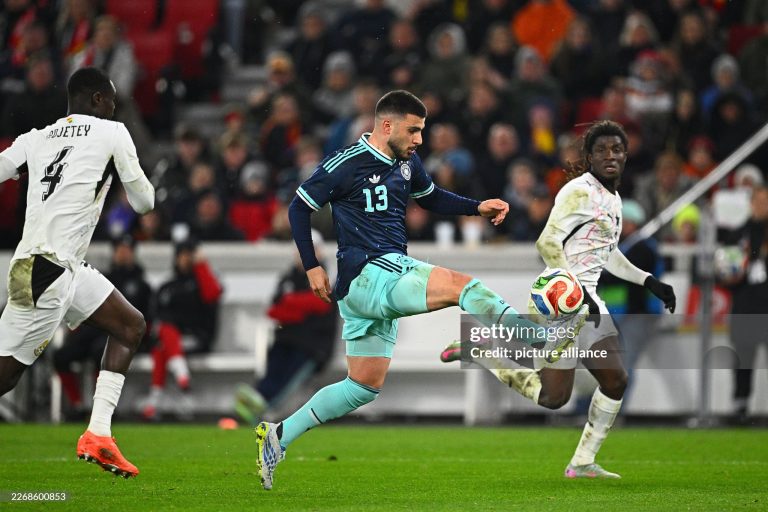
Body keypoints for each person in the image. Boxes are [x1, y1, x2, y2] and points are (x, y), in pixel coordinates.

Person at [254, 90, 587, 490]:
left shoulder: (407, 164)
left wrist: (475, 206)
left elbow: (431, 199)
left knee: (362, 387)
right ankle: (537, 340)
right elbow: (298, 207)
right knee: (465, 287)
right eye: (413, 131)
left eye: (421, 131)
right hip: (369, 273)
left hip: (370, 291)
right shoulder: (347, 162)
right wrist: (311, 266)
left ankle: (277, 437)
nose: (419, 140)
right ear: (387, 125)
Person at [441, 120, 676, 479]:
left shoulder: (613, 199)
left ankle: (582, 462)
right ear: (589, 157)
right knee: (555, 398)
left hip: (588, 302)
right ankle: (481, 350)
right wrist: (577, 293)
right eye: (601, 150)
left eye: (616, 149)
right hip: (562, 302)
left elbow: (606, 253)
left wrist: (648, 280)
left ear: (626, 156)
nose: (610, 155)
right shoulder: (577, 191)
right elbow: (546, 243)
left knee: (615, 381)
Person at [0, 67, 154, 478]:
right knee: (4, 377)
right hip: (47, 273)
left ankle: (99, 434)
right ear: (99, 100)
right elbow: (143, 203)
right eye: (113, 102)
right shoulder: (113, 132)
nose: (115, 108)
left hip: (56, 266)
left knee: (129, 325)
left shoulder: (35, 138)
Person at [234, 230, 337, 425]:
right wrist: (299, 307)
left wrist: (290, 303)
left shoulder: (324, 277)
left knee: (289, 376)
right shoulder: (288, 278)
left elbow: (320, 304)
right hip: (286, 338)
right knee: (274, 368)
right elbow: (274, 311)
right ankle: (258, 400)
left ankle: (262, 406)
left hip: (313, 345)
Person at [53, 234, 153, 419]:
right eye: (119, 250)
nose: (123, 254)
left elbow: (145, 319)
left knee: (100, 352)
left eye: (127, 250)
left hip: (118, 334)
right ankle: (76, 406)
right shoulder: (102, 278)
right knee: (61, 356)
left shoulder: (142, 286)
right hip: (93, 330)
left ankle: (101, 410)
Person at [142, 238, 223, 420]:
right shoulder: (167, 286)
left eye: (190, 255)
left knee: (163, 342)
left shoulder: (204, 280)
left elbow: (212, 294)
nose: (185, 259)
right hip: (171, 341)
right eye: (182, 255)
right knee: (163, 338)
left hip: (197, 337)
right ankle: (182, 379)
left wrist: (202, 265)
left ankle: (155, 399)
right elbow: (155, 316)